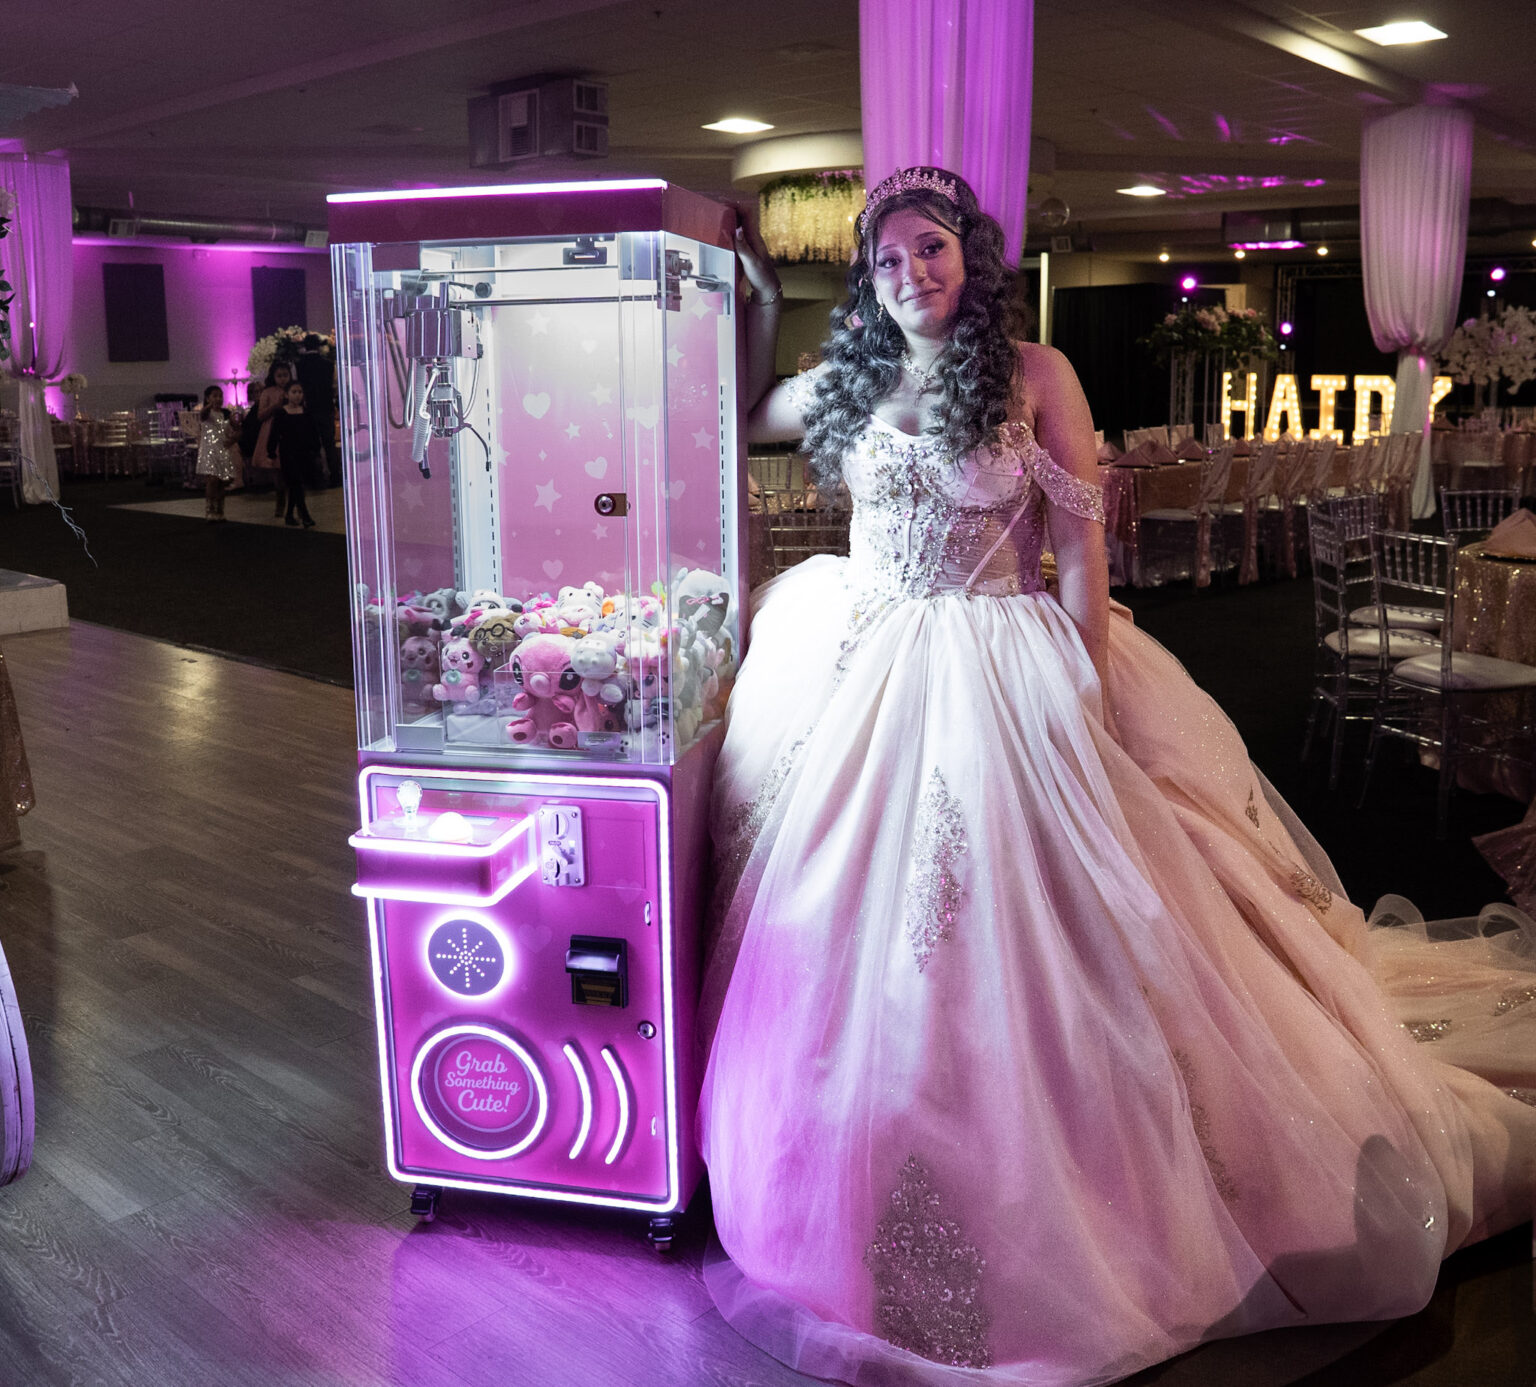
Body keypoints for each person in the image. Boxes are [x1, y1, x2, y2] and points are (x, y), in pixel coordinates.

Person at [699, 167, 1536, 1387]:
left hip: (1008, 664)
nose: (906, 275)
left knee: (1072, 922)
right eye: (884, 262)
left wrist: (1083, 696)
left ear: (968, 258)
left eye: (927, 251)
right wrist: (762, 288)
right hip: (868, 665)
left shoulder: (1038, 374)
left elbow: (1083, 544)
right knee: (853, 929)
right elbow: (736, 406)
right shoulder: (852, 378)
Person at [265, 380, 324, 528]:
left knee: (296, 484)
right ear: (287, 394)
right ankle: (305, 515)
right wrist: (271, 452)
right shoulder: (281, 413)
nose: (297, 395)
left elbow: (313, 433)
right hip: (288, 452)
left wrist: (316, 449)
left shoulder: (306, 412)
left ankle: (290, 514)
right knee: (296, 482)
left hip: (303, 452)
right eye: (294, 392)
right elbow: (274, 434)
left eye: (300, 392)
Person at [246, 361, 294, 518]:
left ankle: (294, 503)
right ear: (273, 377)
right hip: (272, 430)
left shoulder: (293, 390)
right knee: (275, 467)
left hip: (290, 430)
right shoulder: (268, 392)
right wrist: (275, 407)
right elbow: (260, 415)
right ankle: (280, 499)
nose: (282, 379)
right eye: (279, 376)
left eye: (285, 375)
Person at [294, 333, 340, 488]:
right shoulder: (328, 364)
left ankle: (316, 478)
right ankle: (336, 477)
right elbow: (334, 387)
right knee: (329, 444)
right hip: (326, 407)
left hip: (308, 410)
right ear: (319, 346)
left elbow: (298, 388)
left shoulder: (299, 365)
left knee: (312, 445)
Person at [192, 385, 239, 522]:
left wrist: (233, 439)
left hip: (222, 450)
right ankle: (210, 510)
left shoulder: (225, 413)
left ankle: (220, 509)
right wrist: (209, 405)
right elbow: (203, 415)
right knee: (212, 480)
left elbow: (238, 429)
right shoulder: (206, 414)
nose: (218, 399)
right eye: (215, 396)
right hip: (209, 450)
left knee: (222, 481)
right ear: (208, 398)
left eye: (220, 396)